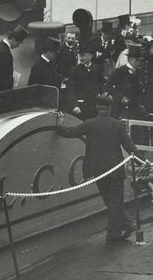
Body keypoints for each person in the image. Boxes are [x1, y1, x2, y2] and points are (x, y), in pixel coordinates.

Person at [55, 93, 142, 244]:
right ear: (110, 108)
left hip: (98, 171)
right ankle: (117, 233)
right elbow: (129, 146)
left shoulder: (89, 124)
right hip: (115, 170)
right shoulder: (118, 125)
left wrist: (58, 124)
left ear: (97, 107)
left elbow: (69, 132)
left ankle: (124, 227)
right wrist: (143, 161)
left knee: (109, 201)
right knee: (115, 202)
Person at [66, 47, 103, 118]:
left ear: (90, 56)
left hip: (94, 107)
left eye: (83, 55)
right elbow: (70, 90)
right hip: (80, 107)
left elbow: (101, 84)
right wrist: (74, 106)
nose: (81, 58)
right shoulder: (74, 70)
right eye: (80, 55)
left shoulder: (97, 68)